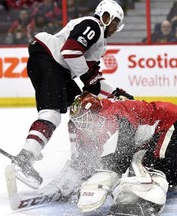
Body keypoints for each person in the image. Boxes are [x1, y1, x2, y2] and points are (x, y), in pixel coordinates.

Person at [35, 92, 177, 215]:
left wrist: (105, 175)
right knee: (162, 169)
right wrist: (76, 179)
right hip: (160, 133)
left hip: (174, 126)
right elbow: (86, 157)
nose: (82, 124)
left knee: (151, 165)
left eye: (86, 118)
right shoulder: (85, 125)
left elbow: (121, 151)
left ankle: (146, 200)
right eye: (79, 119)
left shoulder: (113, 114)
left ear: (95, 113)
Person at [12, 0, 134, 190]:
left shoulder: (98, 40)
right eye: (115, 22)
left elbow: (93, 79)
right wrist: (87, 77)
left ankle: (80, 163)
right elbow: (69, 51)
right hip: (49, 61)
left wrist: (116, 93)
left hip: (55, 67)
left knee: (82, 110)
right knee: (51, 114)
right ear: (106, 16)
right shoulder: (93, 25)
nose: (115, 28)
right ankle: (24, 159)